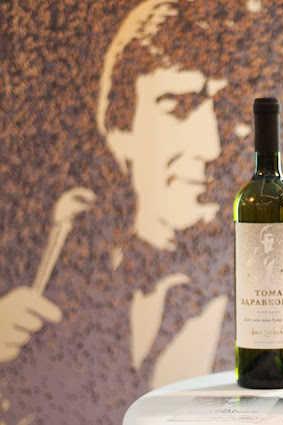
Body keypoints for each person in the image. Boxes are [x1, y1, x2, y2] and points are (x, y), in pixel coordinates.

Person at [0, 1, 231, 423]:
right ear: (121, 127)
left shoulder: (270, 295)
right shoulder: (68, 274)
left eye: (229, 110)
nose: (212, 146)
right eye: (178, 106)